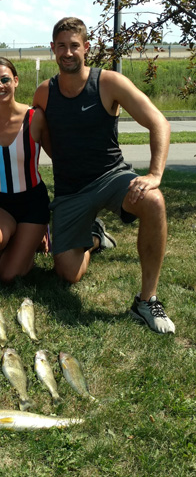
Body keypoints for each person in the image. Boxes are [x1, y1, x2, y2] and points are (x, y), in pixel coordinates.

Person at [31, 17, 174, 334]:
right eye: (62, 46)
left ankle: (146, 300)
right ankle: (94, 237)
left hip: (112, 177)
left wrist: (154, 173)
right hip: (71, 191)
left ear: (87, 48)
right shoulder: (44, 93)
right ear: (53, 49)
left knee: (153, 201)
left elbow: (158, 122)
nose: (68, 52)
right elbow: (44, 140)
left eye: (75, 46)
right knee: (68, 274)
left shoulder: (109, 83)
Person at [0, 57, 51, 283]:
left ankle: (38, 233)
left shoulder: (35, 117)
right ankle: (21, 241)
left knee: (7, 274)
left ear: (16, 81)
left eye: (5, 79)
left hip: (32, 203)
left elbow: (59, 154)